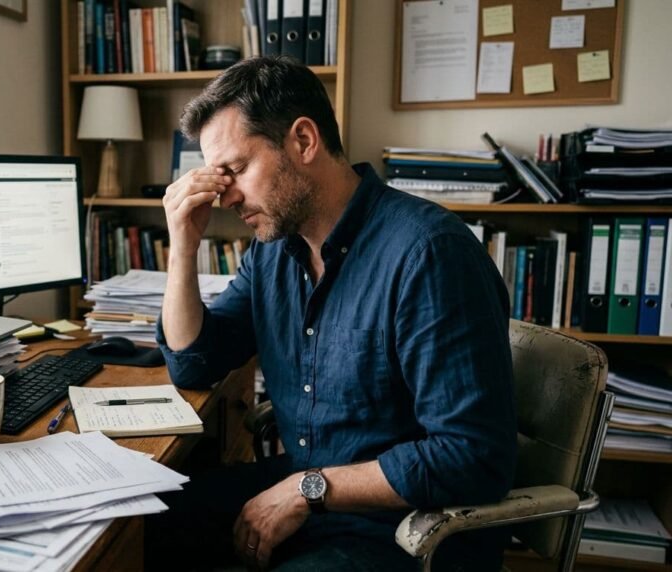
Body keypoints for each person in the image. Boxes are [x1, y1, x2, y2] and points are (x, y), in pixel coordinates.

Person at [146, 56, 517, 571]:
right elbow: (193, 363)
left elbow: (472, 456)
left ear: (303, 141)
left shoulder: (430, 254)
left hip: (407, 529)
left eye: (236, 169)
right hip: (306, 491)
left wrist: (307, 489)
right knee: (136, 523)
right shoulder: (272, 253)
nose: (225, 195)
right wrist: (182, 248)